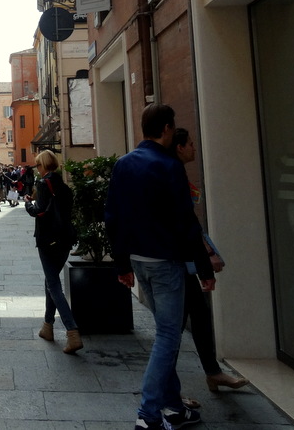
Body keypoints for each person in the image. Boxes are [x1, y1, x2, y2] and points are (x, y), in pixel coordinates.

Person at [105, 104, 216, 430]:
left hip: (139, 262)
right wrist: (204, 269)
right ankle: (149, 414)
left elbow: (113, 217)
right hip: (166, 263)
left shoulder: (124, 164)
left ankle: (172, 407)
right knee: (168, 337)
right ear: (167, 128)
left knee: (165, 333)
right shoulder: (169, 166)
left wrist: (122, 263)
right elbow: (186, 223)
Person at [172, 129, 249, 402]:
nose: (195, 148)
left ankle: (212, 372)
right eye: (191, 144)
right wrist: (207, 257)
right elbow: (186, 224)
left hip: (180, 260)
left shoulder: (175, 172)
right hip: (175, 262)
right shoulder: (172, 173)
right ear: (179, 146)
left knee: (199, 317)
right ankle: (168, 393)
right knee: (173, 329)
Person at [24, 150, 83, 354]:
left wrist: (28, 204)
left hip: (48, 240)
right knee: (50, 282)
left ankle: (72, 331)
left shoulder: (43, 184)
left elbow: (39, 210)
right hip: (65, 240)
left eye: (38, 165)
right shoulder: (64, 185)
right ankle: (47, 327)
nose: (37, 169)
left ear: (43, 166)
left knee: (54, 285)